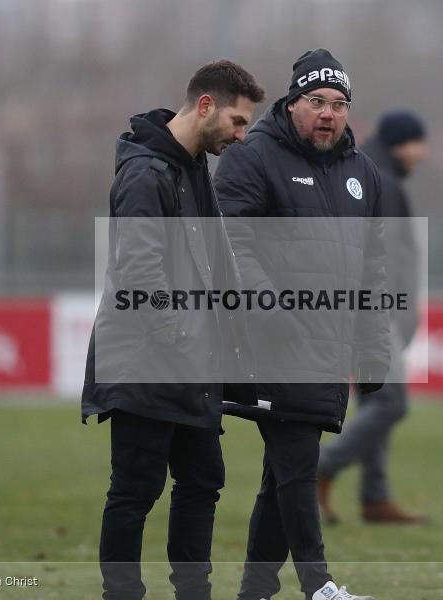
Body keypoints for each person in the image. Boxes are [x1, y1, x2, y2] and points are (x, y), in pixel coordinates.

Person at [81, 60, 264, 600]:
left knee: (203, 481)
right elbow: (140, 273)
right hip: (146, 363)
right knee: (135, 492)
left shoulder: (190, 170)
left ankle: (193, 593)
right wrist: (181, 337)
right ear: (205, 105)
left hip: (189, 365)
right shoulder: (145, 173)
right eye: (236, 121)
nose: (240, 134)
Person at [214, 49, 391, 600]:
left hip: (328, 348)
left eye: (339, 104)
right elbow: (228, 240)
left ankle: (256, 591)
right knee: (296, 462)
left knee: (282, 474)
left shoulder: (363, 174)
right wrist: (268, 311)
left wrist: (374, 345)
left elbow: (373, 267)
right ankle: (320, 586)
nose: (328, 113)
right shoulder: (252, 156)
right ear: (293, 103)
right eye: (316, 101)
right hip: (271, 344)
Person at [317, 110, 431, 526]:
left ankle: (375, 496)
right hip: (375, 310)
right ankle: (322, 467)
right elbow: (394, 258)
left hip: (360, 305)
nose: (424, 152)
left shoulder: (360, 171)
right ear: (402, 142)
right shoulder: (382, 179)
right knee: (391, 402)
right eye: (420, 142)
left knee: (374, 398)